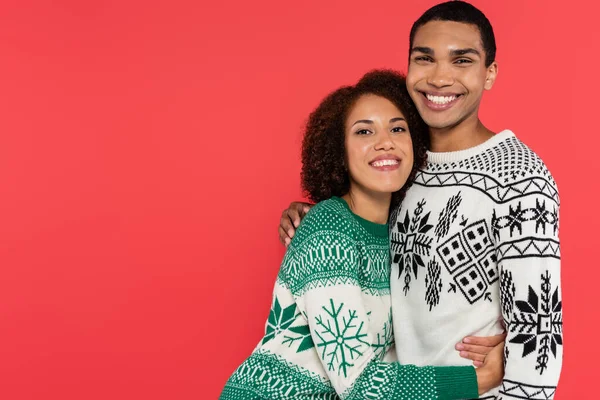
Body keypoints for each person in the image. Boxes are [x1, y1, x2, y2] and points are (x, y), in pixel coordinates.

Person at [279, 2, 563, 399]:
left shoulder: (519, 176)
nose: (440, 78)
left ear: (490, 73)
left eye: (462, 60)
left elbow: (539, 335)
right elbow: (358, 236)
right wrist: (316, 214)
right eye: (424, 58)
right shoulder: (397, 165)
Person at [221, 70, 504, 400]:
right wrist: (483, 377)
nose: (385, 141)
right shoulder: (329, 230)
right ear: (339, 152)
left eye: (397, 128)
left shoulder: (399, 234)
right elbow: (360, 385)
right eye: (364, 131)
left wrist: (503, 335)